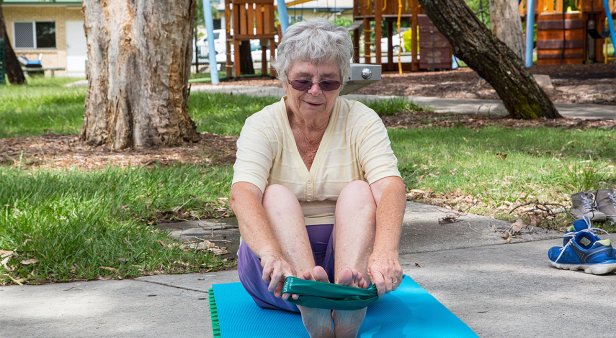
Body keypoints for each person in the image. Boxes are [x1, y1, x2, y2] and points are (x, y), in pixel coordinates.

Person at [230, 19, 407, 337]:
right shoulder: (262, 125)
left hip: (352, 260)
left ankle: (346, 298)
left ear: (342, 82)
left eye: (328, 83)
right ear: (284, 79)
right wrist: (271, 254)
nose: (315, 91)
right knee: (274, 195)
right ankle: (308, 294)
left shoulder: (361, 120)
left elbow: (389, 186)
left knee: (358, 190)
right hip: (278, 273)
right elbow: (243, 194)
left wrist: (384, 253)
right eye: (302, 81)